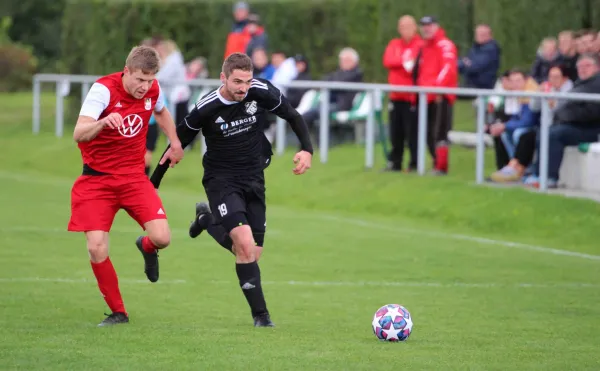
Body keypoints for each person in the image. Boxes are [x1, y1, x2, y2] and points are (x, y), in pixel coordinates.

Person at [150, 52, 313, 327]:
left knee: (251, 254)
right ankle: (261, 317)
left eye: (247, 81)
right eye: (237, 81)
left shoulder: (260, 91)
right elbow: (177, 144)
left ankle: (206, 220)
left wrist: (307, 150)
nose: (243, 88)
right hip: (221, 180)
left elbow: (292, 115)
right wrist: (152, 184)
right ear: (223, 78)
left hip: (254, 178)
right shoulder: (206, 107)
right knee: (246, 246)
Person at [67, 45, 185, 327]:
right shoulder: (103, 91)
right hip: (97, 180)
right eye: (140, 79)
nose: (145, 86)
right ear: (127, 70)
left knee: (162, 238)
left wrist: (176, 142)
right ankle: (118, 312)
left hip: (133, 179)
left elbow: (162, 112)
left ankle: (146, 247)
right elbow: (79, 134)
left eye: (150, 80)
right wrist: (104, 122)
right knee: (96, 248)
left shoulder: (153, 89)